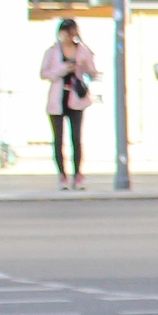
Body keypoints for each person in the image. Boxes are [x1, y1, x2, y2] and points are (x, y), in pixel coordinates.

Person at [38, 17, 101, 190]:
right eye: (66, 32)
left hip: (76, 99)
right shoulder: (52, 51)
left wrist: (84, 66)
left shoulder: (82, 50)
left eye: (72, 32)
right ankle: (62, 176)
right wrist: (62, 69)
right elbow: (44, 73)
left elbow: (93, 72)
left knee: (76, 139)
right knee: (58, 140)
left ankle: (78, 175)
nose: (69, 36)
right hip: (57, 99)